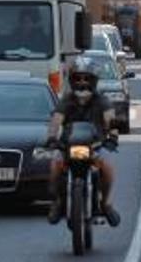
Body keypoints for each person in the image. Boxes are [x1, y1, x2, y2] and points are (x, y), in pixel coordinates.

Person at [45, 66, 121, 227]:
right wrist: (52, 138)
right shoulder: (67, 100)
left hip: (95, 147)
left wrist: (113, 136)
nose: (82, 83)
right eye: (78, 79)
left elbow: (110, 119)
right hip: (68, 147)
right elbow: (56, 119)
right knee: (55, 166)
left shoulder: (102, 101)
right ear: (72, 81)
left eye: (86, 79)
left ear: (93, 81)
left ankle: (105, 204)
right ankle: (58, 203)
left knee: (107, 167)